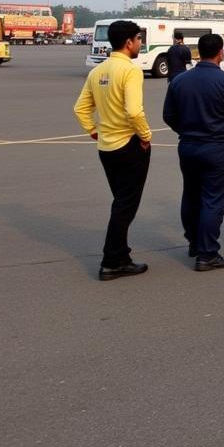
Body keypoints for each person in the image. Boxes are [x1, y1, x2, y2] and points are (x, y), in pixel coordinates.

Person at [163, 33, 224, 271]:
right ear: (220, 53)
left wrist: (186, 129)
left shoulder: (180, 81)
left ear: (198, 53)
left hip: (189, 145)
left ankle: (194, 242)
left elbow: (168, 116)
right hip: (218, 146)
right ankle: (208, 253)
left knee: (191, 195)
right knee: (213, 200)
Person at [73, 20, 153, 280]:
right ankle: (112, 260)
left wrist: (93, 131)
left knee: (120, 201)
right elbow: (133, 110)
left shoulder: (98, 71)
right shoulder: (130, 70)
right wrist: (145, 136)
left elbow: (81, 108)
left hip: (106, 146)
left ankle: (121, 254)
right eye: (139, 39)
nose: (140, 43)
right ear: (129, 42)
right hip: (128, 144)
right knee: (125, 206)